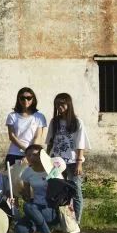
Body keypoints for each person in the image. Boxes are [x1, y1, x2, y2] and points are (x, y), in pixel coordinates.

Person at [46, 92, 89, 225]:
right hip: (56, 162)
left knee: (76, 191)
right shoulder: (54, 122)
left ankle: (76, 222)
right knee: (58, 192)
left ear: (69, 104)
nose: (60, 107)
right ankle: (61, 221)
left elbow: (80, 144)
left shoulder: (77, 122)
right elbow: (50, 142)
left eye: (62, 104)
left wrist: (79, 163)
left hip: (72, 162)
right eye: (57, 104)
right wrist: (46, 159)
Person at [15, 144, 57, 233]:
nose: (31, 157)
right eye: (28, 155)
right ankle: (42, 227)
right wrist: (21, 194)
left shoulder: (52, 170)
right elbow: (28, 198)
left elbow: (59, 193)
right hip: (35, 208)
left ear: (42, 156)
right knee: (19, 230)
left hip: (50, 209)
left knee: (28, 206)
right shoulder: (27, 172)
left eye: (34, 155)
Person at [5, 87, 48, 166]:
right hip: (15, 153)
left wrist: (30, 153)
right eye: (22, 98)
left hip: (33, 155)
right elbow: (12, 136)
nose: (25, 100)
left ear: (33, 99)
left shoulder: (39, 116)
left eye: (28, 98)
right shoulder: (12, 116)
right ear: (18, 99)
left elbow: (38, 137)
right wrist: (26, 150)